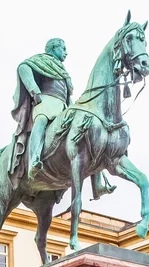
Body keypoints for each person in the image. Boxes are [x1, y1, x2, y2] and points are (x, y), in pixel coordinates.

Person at [10, 38, 115, 197]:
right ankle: (34, 160)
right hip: (46, 101)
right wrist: (34, 91)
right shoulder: (41, 60)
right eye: (63, 48)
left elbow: (66, 96)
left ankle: (98, 184)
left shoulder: (62, 71)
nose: (66, 52)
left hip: (63, 107)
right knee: (42, 120)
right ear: (53, 48)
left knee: (87, 133)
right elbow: (23, 68)